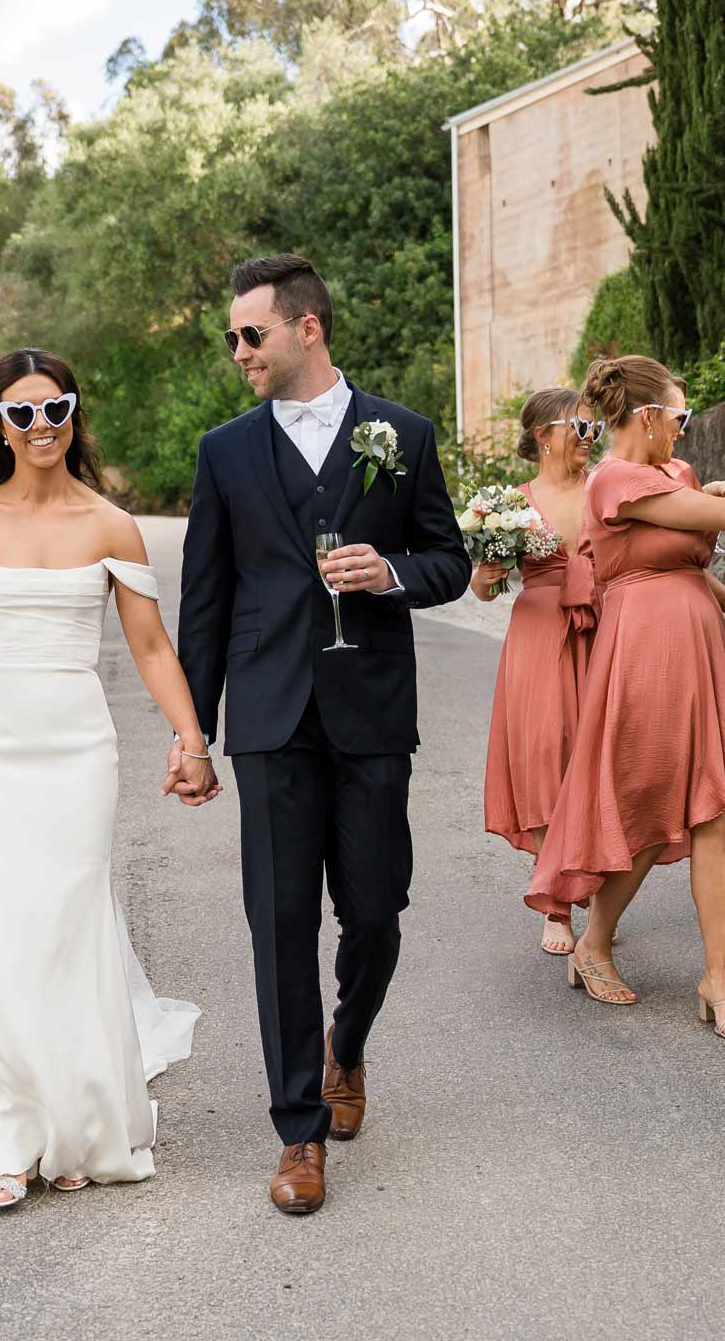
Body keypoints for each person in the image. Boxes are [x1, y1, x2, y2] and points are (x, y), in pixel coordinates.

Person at [177, 254, 472, 1216]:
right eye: (231, 337)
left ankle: (349, 1040)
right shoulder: (224, 452)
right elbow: (206, 602)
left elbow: (449, 560)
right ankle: (299, 1132)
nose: (237, 352)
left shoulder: (404, 433)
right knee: (279, 926)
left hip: (372, 707)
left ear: (308, 328)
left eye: (250, 334)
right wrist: (194, 728)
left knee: (378, 910)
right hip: (267, 716)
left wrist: (388, 572)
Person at [0, 348, 210, 1210]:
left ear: (74, 416)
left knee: (68, 914)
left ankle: (79, 1114)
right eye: (21, 414)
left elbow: (151, 647)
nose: (40, 427)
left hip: (78, 744)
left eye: (55, 410)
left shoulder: (110, 525)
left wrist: (192, 737)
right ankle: (9, 1130)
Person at [527, 356, 725, 1040]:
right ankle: (595, 941)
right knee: (644, 796)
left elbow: (688, 562)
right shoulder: (611, 478)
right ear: (648, 418)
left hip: (697, 642)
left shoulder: (679, 475)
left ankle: (718, 985)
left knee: (714, 807)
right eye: (681, 418)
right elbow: (722, 514)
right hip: (641, 652)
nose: (684, 431)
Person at [474, 387, 599, 956]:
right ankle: (556, 901)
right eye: (579, 427)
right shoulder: (512, 503)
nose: (588, 438)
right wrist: (492, 568)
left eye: (594, 428)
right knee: (545, 756)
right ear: (545, 434)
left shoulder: (609, 487)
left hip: (604, 627)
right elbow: (481, 587)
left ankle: (595, 874)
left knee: (598, 758)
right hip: (538, 633)